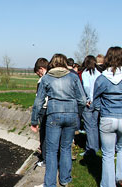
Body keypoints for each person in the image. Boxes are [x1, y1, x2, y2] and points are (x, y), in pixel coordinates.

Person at [31, 54, 86, 187]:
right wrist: (78, 113)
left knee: (51, 150)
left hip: (54, 115)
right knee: (66, 148)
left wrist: (34, 121)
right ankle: (65, 179)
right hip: (71, 114)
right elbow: (83, 100)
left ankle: (50, 183)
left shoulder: (47, 78)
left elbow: (38, 102)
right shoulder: (73, 77)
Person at [93, 46, 122, 187]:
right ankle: (120, 178)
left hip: (107, 118)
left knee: (108, 154)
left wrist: (100, 109)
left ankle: (108, 184)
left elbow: (96, 100)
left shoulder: (102, 78)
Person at [80, 55, 101, 157]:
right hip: (98, 102)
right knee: (94, 125)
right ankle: (95, 147)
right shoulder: (99, 73)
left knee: (88, 127)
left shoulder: (85, 73)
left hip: (89, 102)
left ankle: (90, 149)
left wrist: (88, 99)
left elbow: (86, 87)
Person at [33, 58, 49, 166]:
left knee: (43, 135)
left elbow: (39, 100)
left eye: (38, 73)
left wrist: (34, 119)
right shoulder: (54, 78)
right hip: (56, 109)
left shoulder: (42, 81)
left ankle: (44, 159)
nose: (38, 75)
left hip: (44, 109)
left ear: (41, 69)